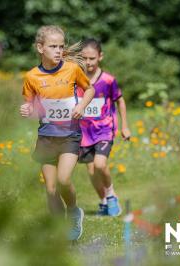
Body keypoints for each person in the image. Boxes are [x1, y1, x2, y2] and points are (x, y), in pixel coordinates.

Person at [19, 25, 95, 241]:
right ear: (40, 48)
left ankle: (73, 211)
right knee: (51, 189)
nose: (59, 50)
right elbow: (30, 105)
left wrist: (81, 106)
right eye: (53, 46)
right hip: (46, 137)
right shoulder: (32, 76)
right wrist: (26, 109)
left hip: (70, 135)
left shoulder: (72, 69)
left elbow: (89, 89)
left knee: (63, 179)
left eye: (61, 46)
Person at [78, 38, 131, 216]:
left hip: (104, 129)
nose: (88, 62)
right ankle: (103, 202)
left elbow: (120, 101)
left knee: (100, 165)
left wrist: (125, 126)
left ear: (100, 56)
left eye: (92, 58)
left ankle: (111, 195)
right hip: (84, 132)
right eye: (84, 58)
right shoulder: (75, 79)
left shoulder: (108, 80)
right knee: (92, 170)